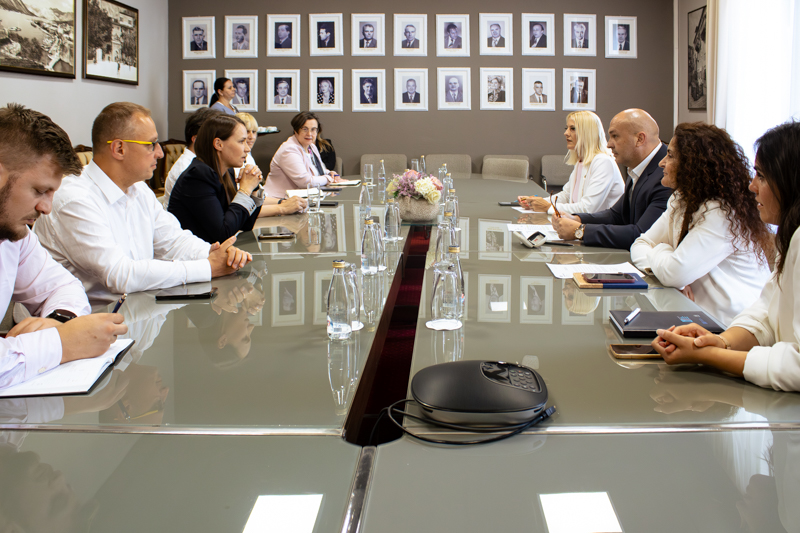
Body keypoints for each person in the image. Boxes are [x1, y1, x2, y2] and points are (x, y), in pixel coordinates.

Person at [33, 102, 252, 305]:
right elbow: (120, 275)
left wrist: (215, 253)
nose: (160, 153)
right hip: (88, 321)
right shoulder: (74, 199)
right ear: (119, 149)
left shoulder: (139, 189)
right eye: (151, 144)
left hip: (137, 312)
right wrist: (207, 267)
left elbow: (173, 241)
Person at [651, 122, 799, 391]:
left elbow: (796, 365)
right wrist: (721, 341)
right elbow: (766, 312)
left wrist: (710, 355)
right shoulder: (789, 236)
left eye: (762, 176)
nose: (752, 186)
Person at [0, 103, 127, 389]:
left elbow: (63, 286)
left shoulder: (15, 234)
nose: (46, 208)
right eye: (39, 191)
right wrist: (62, 342)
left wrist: (59, 320)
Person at [631, 122, 772, 325]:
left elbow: (675, 272)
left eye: (670, 155)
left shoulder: (721, 212)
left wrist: (662, 249)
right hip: (696, 317)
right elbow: (640, 244)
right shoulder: (680, 199)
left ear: (692, 165)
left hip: (735, 326)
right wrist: (667, 272)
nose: (662, 163)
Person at [552, 109, 672, 250]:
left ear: (640, 139)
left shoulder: (666, 175)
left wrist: (581, 231)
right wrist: (577, 218)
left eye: (615, 136)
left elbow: (642, 234)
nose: (609, 144)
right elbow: (616, 215)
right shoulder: (637, 168)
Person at [167, 115, 261, 244]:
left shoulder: (227, 172)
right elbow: (223, 233)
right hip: (193, 254)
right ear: (218, 144)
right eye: (241, 141)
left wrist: (254, 189)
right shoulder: (198, 176)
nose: (247, 148)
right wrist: (245, 190)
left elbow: (245, 224)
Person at [519, 111, 624, 215]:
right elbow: (566, 195)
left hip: (599, 225)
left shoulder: (603, 162)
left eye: (573, 129)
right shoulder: (581, 162)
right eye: (567, 128)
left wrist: (548, 207)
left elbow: (587, 208)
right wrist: (535, 202)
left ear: (587, 133)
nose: (566, 133)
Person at [264, 111, 344, 198]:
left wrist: (330, 173)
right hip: (280, 200)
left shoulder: (311, 147)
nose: (309, 134)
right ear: (296, 130)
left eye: (313, 129)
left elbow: (319, 170)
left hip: (303, 199)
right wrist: (329, 178)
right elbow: (305, 182)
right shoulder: (289, 150)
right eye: (304, 129)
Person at [164, 107, 221, 206]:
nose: (220, 143)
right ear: (197, 139)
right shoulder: (187, 170)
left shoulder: (203, 164)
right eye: (216, 137)